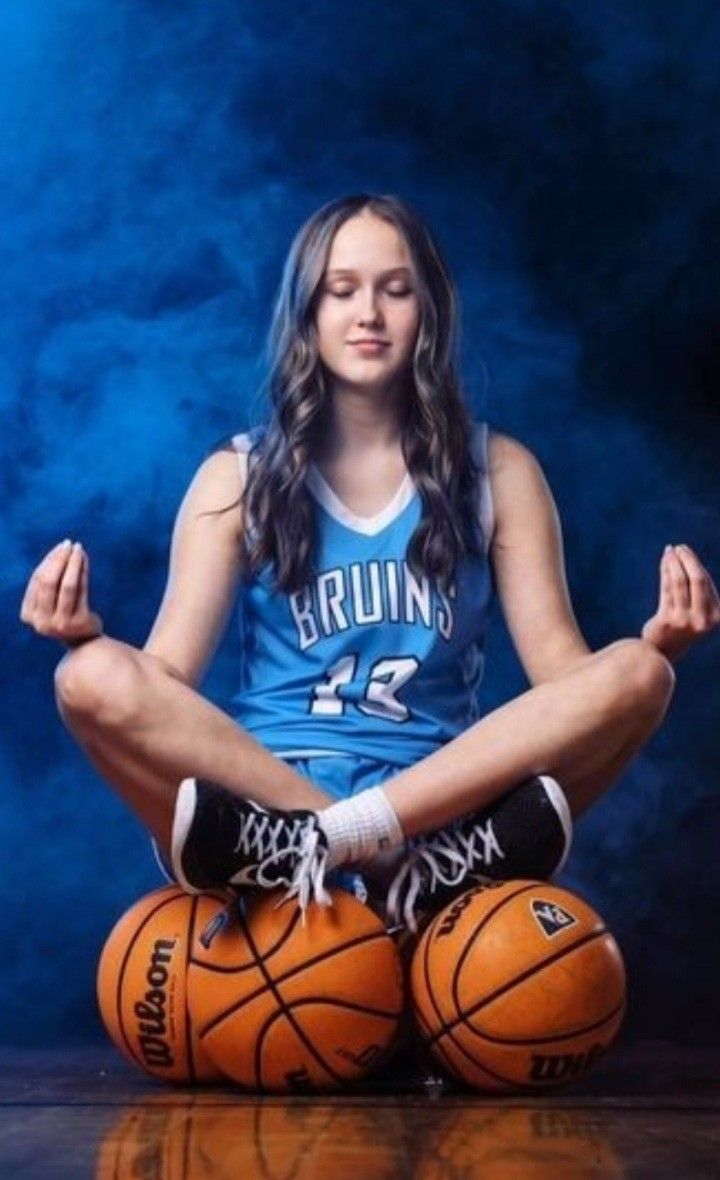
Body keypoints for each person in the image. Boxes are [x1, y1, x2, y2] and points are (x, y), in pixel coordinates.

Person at [20, 193, 720, 938]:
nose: (369, 314)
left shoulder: (498, 470)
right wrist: (82, 635)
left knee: (640, 675)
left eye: (396, 289)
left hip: (445, 812)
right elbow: (162, 680)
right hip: (265, 814)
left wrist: (660, 648)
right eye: (341, 289)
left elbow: (563, 676)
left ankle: (377, 852)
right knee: (87, 677)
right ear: (306, 313)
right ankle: (361, 861)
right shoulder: (237, 476)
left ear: (431, 310)